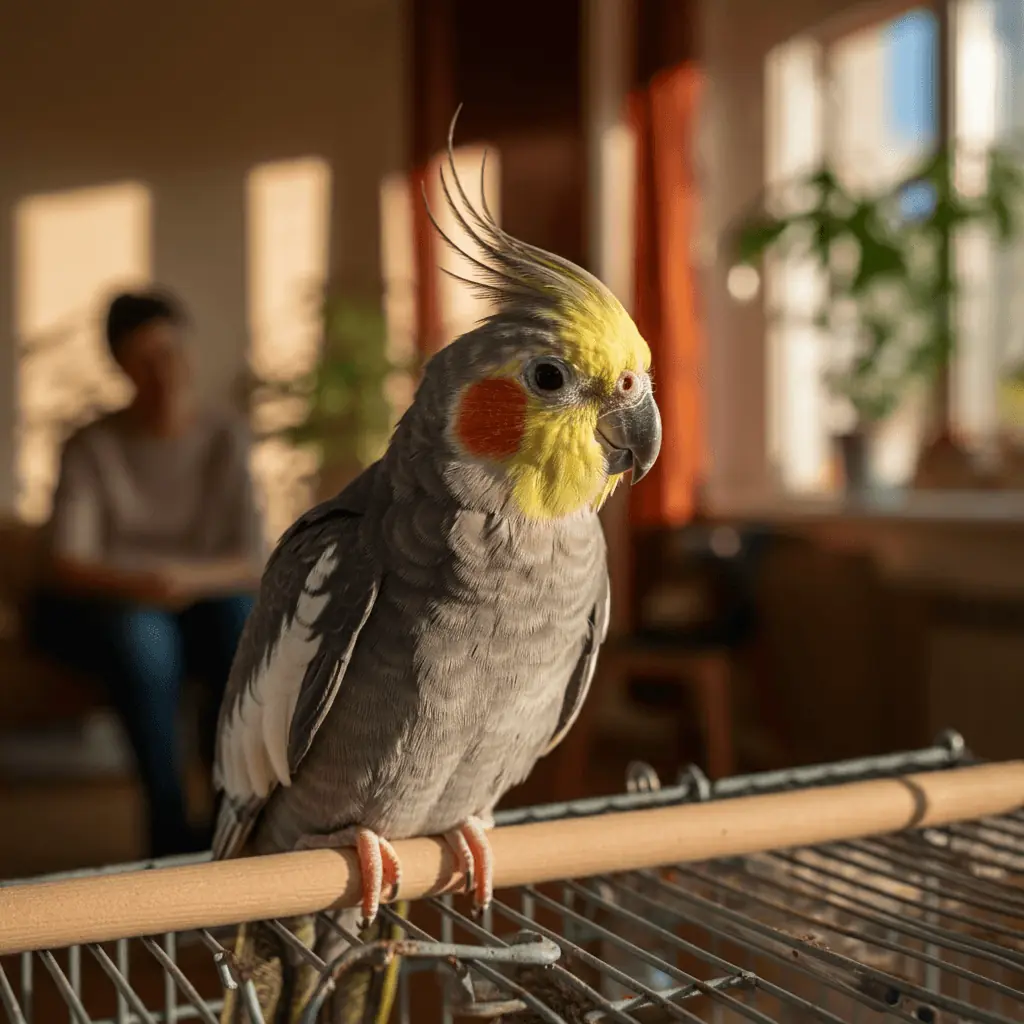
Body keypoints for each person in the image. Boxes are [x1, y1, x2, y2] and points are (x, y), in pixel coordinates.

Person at [31, 289, 265, 858]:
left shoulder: (225, 436)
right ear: (120, 366)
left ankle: (228, 815)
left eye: (170, 350)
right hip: (116, 609)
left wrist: (183, 579)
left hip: (203, 600)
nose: (163, 368)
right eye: (144, 357)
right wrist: (148, 585)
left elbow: (254, 556)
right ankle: (165, 821)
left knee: (238, 620)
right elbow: (68, 562)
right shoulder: (92, 445)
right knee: (144, 637)